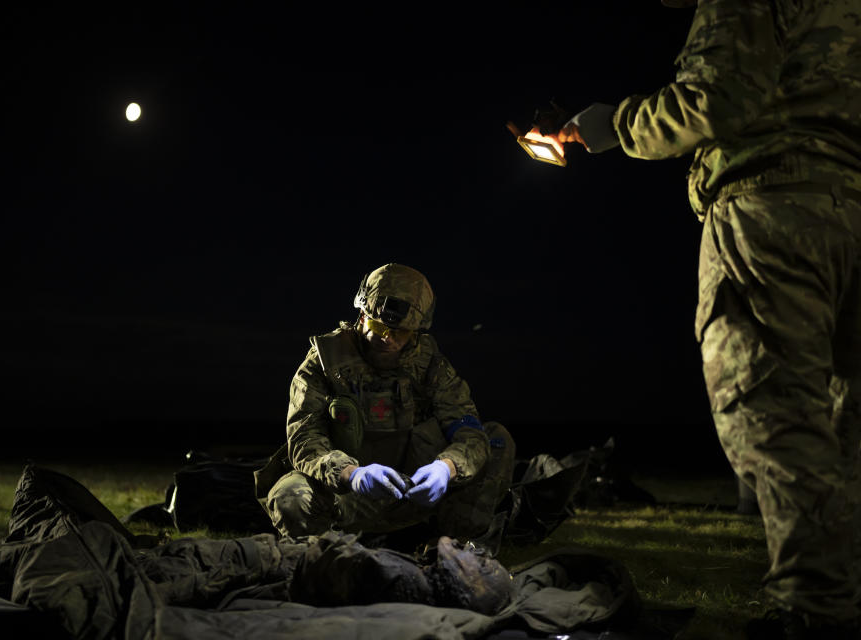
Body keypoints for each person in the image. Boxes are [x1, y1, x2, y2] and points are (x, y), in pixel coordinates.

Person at [548, 1, 861, 637]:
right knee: (845, 418)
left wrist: (617, 124)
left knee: (774, 410)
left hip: (772, 211)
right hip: (849, 210)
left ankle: (818, 613)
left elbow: (715, 98)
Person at [254, 263, 516, 549]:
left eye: (400, 332)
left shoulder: (430, 366)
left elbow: (470, 432)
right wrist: (351, 475)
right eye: (378, 326)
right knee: (290, 495)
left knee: (496, 440)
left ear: (415, 331)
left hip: (414, 490)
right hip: (349, 496)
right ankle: (319, 558)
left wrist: (447, 467)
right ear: (362, 314)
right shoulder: (323, 364)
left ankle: (450, 547)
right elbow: (304, 440)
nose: (387, 338)